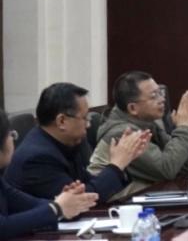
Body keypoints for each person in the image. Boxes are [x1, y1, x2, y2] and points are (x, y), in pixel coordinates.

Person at [4, 82, 149, 204]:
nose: (88, 124)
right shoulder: (37, 159)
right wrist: (117, 165)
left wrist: (124, 160)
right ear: (62, 121)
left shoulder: (67, 143)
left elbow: (88, 185)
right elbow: (83, 201)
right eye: (85, 118)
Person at [90, 72, 188, 200]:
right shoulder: (124, 133)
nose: (162, 99)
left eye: (160, 93)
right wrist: (185, 127)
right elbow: (166, 170)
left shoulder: (148, 123)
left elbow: (181, 167)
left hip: (141, 197)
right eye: (154, 96)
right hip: (110, 206)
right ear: (133, 108)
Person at [0, 111, 99, 241]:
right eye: (11, 135)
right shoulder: (37, 155)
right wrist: (56, 209)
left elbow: (25, 203)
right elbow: (3, 226)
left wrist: (65, 203)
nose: (12, 140)